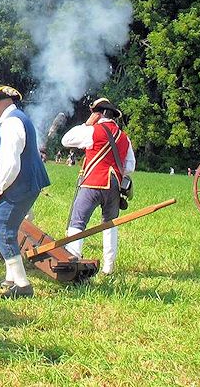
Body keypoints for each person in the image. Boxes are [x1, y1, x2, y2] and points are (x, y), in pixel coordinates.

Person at [0, 85, 51, 297]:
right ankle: (10, 278)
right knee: (8, 228)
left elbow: (11, 164)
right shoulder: (18, 118)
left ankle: (22, 285)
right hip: (27, 182)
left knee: (2, 230)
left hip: (18, 184)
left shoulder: (11, 124)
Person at [60, 97, 136, 275]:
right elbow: (130, 166)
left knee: (78, 221)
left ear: (98, 114)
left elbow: (66, 140)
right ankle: (109, 267)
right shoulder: (124, 137)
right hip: (115, 186)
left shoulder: (92, 131)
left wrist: (86, 124)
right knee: (109, 225)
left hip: (94, 182)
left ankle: (73, 257)